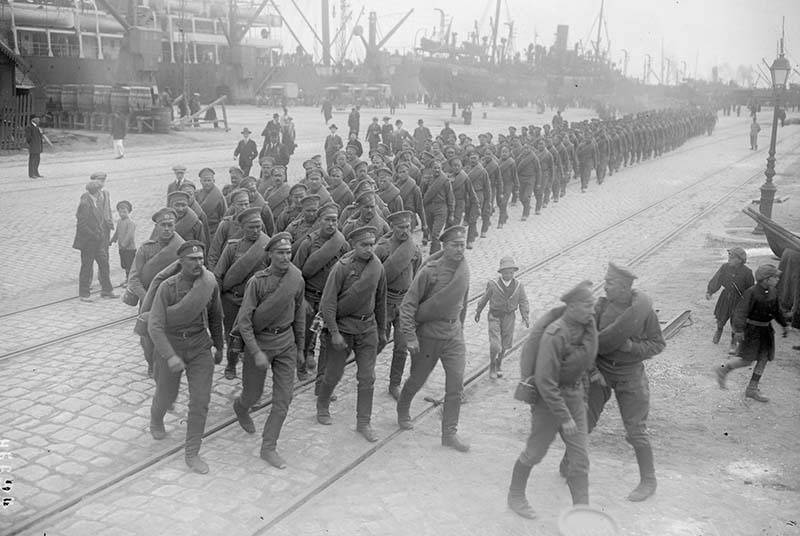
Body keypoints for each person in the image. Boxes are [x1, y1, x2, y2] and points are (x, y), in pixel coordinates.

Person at [562, 262, 665, 502]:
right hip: (601, 372)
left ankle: (648, 480)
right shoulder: (600, 308)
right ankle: (570, 461)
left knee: (636, 431)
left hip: (630, 374)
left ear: (624, 287)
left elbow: (658, 344)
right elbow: (585, 341)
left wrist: (632, 347)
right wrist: (593, 369)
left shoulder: (643, 313)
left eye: (610, 282)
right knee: (584, 420)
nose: (605, 286)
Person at [508, 281, 597, 519]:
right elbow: (545, 382)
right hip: (548, 404)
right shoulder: (555, 334)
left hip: (575, 398)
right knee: (535, 452)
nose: (592, 310)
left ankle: (581, 513)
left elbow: (584, 365)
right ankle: (515, 496)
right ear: (573, 306)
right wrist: (564, 416)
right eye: (588, 305)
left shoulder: (587, 329)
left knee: (580, 459)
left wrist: (580, 401)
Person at [147, 240, 224, 475]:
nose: (198, 263)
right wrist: (170, 356)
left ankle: (192, 453)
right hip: (172, 345)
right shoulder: (167, 288)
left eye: (201, 258)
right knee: (166, 394)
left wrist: (219, 347)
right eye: (193, 259)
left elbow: (215, 316)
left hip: (200, 346)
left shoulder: (208, 284)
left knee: (200, 401)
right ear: (181, 261)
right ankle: (156, 419)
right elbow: (155, 326)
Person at [233, 232, 306, 469]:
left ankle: (268, 447)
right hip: (261, 344)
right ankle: (241, 406)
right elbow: (244, 321)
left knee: (283, 399)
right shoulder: (257, 282)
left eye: (288, 252)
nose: (286, 257)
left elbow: (299, 317)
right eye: (280, 253)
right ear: (270, 254)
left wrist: (301, 349)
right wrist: (255, 351)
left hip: (286, 343)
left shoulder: (297, 279)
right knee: (252, 395)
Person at [397, 226, 470, 452]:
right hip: (428, 336)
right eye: (455, 245)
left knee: (456, 386)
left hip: (453, 336)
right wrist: (410, 336)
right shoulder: (430, 272)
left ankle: (449, 433)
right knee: (417, 380)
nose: (460, 249)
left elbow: (463, 303)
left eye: (462, 244)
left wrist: (460, 328)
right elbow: (408, 305)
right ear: (444, 247)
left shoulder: (463, 271)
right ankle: (403, 408)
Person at [316, 226, 387, 443]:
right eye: (363, 245)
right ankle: (322, 405)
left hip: (368, 330)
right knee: (333, 374)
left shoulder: (377, 267)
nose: (369, 248)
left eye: (372, 244)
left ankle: (363, 422)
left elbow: (381, 300)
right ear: (353, 245)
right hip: (344, 330)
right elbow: (328, 303)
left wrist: (382, 331)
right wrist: (334, 332)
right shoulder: (342, 268)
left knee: (367, 377)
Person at [293, 203, 350, 382]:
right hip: (310, 296)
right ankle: (301, 367)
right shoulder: (308, 243)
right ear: (319, 221)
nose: (331, 224)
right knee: (304, 334)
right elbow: (295, 274)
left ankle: (323, 378)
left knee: (327, 339)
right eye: (327, 220)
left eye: (334, 220)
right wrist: (302, 300)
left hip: (331, 299)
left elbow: (348, 272)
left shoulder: (342, 244)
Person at [715, 264, 787, 402]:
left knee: (764, 358)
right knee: (746, 360)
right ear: (766, 279)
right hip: (752, 331)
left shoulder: (773, 292)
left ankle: (752, 389)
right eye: (775, 277)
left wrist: (784, 325)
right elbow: (740, 312)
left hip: (766, 332)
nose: (777, 279)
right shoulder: (751, 292)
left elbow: (777, 311)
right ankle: (723, 369)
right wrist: (739, 330)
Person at [214, 207, 270, 379]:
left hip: (256, 303)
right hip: (232, 300)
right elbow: (218, 275)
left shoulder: (267, 246)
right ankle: (231, 364)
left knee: (256, 335)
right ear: (243, 228)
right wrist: (217, 304)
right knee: (232, 334)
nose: (256, 231)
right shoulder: (232, 248)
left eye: (258, 227)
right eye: (251, 227)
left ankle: (252, 368)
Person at [129, 208, 185, 375]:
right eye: (163, 225)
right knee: (147, 339)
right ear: (157, 227)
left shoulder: (182, 249)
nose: (167, 228)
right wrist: (148, 298)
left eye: (170, 225)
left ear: (175, 226)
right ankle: (151, 364)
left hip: (172, 301)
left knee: (171, 335)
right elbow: (133, 279)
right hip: (148, 301)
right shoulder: (146, 249)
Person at [375, 211, 422, 400]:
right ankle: (366, 368)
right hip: (385, 302)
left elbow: (417, 270)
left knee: (402, 347)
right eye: (401, 227)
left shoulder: (414, 248)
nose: (405, 231)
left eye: (408, 227)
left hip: (404, 304)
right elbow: (373, 275)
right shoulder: (383, 248)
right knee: (379, 341)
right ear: (392, 227)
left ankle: (394, 383)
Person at [474, 256, 530, 379]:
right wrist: (478, 311)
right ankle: (492, 365)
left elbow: (523, 301)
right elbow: (485, 298)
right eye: (505, 272)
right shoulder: (493, 284)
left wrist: (525, 316)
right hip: (494, 316)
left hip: (509, 318)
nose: (508, 275)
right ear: (501, 273)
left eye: (511, 272)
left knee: (505, 344)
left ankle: (499, 362)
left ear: (514, 272)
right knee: (495, 345)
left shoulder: (519, 286)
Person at [73, 180, 117, 301]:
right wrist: (94, 234)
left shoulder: (96, 201)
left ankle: (107, 290)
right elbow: (81, 225)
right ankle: (84, 294)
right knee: (87, 266)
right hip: (88, 241)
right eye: (99, 191)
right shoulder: (85, 203)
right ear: (96, 192)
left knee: (104, 264)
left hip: (97, 240)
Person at [706, 247, 755, 352]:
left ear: (740, 260)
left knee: (736, 321)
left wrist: (749, 302)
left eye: (732, 257)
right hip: (726, 297)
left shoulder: (747, 272)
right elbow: (717, 279)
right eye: (729, 257)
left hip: (739, 300)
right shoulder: (724, 267)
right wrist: (710, 291)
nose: (729, 259)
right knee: (721, 316)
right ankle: (719, 330)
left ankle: (733, 342)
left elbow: (750, 288)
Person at [421, 160, 455, 254]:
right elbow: (422, 194)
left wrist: (451, 213)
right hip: (429, 208)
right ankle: (437, 251)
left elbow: (450, 197)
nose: (437, 170)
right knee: (432, 233)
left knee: (436, 233)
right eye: (435, 168)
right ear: (431, 169)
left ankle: (434, 254)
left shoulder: (445, 181)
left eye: (439, 168)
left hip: (441, 208)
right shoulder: (427, 180)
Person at [196, 168, 227, 237]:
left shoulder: (219, 196)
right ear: (201, 181)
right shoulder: (197, 195)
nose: (207, 183)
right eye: (205, 180)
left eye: (209, 180)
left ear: (213, 181)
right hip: (201, 229)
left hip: (214, 229)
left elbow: (224, 214)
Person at [110, 200, 136, 285]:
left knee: (129, 265)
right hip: (122, 248)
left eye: (124, 212)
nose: (122, 214)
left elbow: (129, 235)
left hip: (129, 249)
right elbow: (117, 232)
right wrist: (112, 240)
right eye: (120, 212)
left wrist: (124, 244)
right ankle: (127, 279)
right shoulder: (120, 222)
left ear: (128, 212)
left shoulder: (131, 223)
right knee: (124, 264)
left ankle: (130, 280)